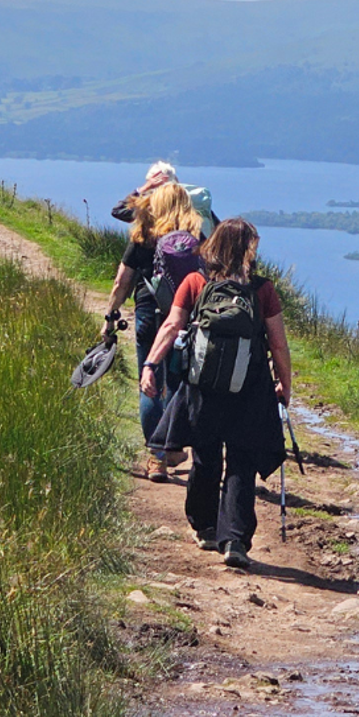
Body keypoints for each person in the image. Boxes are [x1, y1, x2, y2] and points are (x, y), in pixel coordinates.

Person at [143, 218, 291, 568]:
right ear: (249, 249)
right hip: (249, 388)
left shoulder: (196, 282)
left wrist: (150, 364)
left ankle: (206, 527)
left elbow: (172, 326)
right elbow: (278, 344)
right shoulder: (262, 290)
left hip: (203, 387)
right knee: (242, 460)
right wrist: (285, 384)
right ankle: (235, 540)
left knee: (205, 455)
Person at [101, 181, 203, 480]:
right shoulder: (197, 239)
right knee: (175, 381)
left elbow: (121, 283)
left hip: (149, 312)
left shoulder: (143, 236)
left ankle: (156, 458)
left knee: (149, 380)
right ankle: (171, 446)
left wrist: (110, 318)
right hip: (183, 318)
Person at [111, 160, 218, 234]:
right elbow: (217, 229)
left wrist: (143, 188)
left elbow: (118, 211)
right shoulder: (196, 202)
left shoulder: (152, 210)